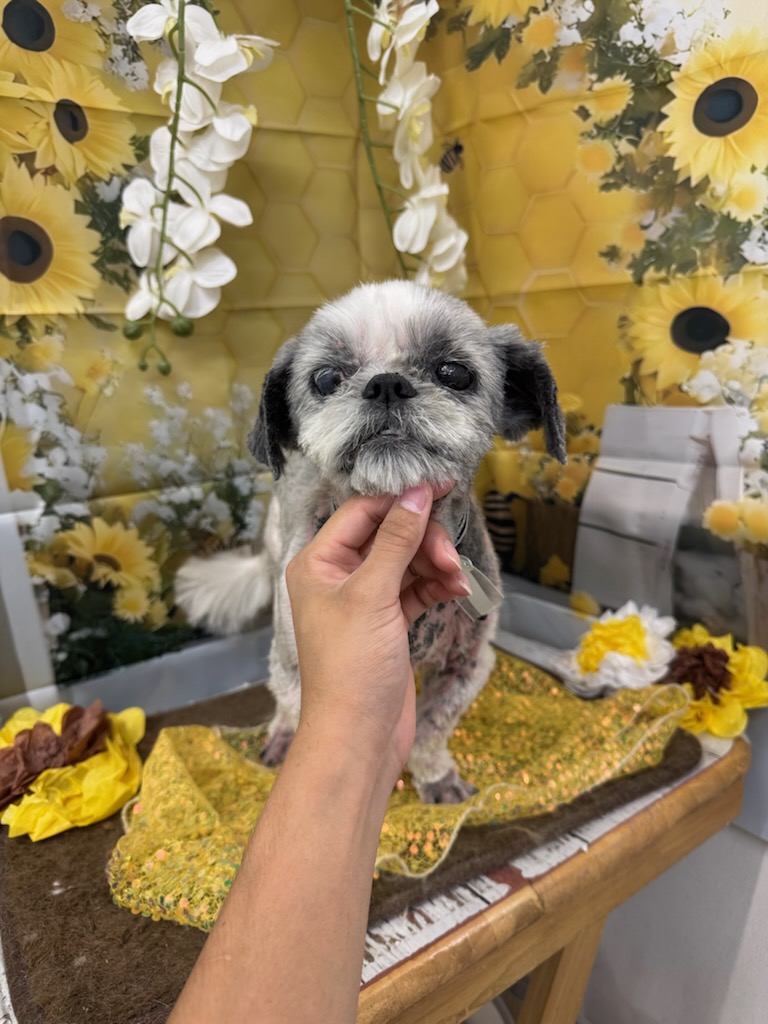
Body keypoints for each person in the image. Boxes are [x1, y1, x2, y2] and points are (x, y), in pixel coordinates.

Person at [168, 483, 472, 1023]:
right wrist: (309, 716)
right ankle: (287, 717)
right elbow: (289, 657)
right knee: (295, 639)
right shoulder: (303, 522)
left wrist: (369, 736)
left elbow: (468, 662)